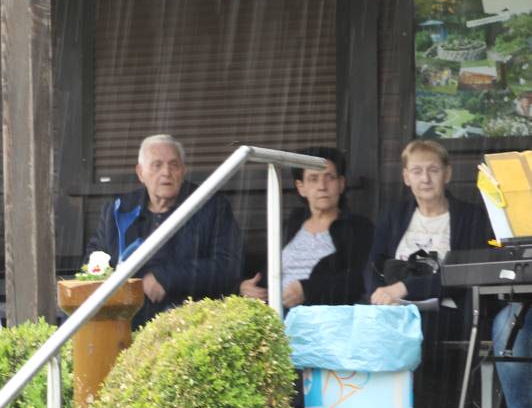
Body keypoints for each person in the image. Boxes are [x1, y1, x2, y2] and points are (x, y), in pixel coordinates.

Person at [88, 133, 241, 328]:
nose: (166, 172)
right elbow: (94, 260)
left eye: (174, 165)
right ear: (140, 172)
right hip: (125, 319)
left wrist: (167, 277)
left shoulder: (210, 207)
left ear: (183, 171)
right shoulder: (118, 210)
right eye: (157, 165)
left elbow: (227, 267)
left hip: (189, 321)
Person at [365, 139, 488, 321]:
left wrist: (404, 288)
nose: (425, 179)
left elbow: (464, 275)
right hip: (393, 311)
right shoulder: (392, 215)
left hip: (446, 312)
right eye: (417, 171)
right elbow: (373, 266)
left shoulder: (470, 217)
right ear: (406, 177)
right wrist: (379, 296)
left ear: (447, 174)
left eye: (433, 170)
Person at [239, 147, 372, 309]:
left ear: (341, 184)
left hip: (318, 318)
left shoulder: (358, 228)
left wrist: (307, 290)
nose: (322, 186)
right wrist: (246, 288)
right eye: (313, 179)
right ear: (301, 187)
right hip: (269, 313)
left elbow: (359, 280)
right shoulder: (290, 226)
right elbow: (266, 272)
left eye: (329, 177)